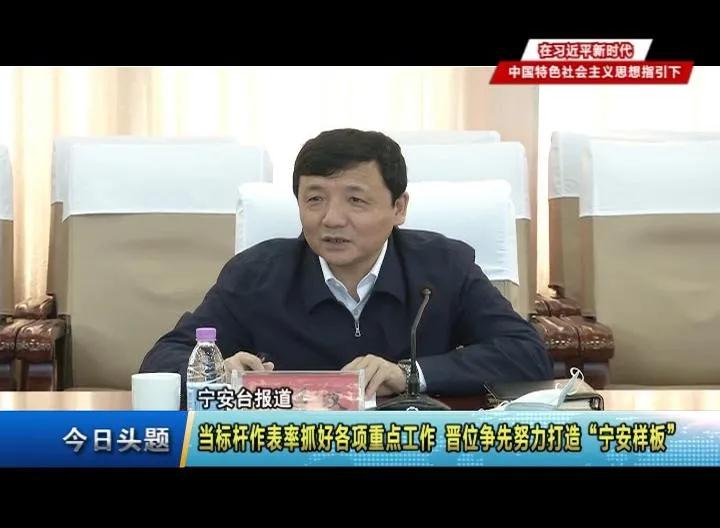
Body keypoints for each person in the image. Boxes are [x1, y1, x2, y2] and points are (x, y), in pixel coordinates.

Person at [140, 128, 552, 399]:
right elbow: (164, 358)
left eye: (356, 200)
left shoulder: (444, 266)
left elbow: (526, 353)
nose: (332, 219)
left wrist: (409, 374)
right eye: (315, 199)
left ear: (399, 207)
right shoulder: (255, 274)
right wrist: (218, 371)